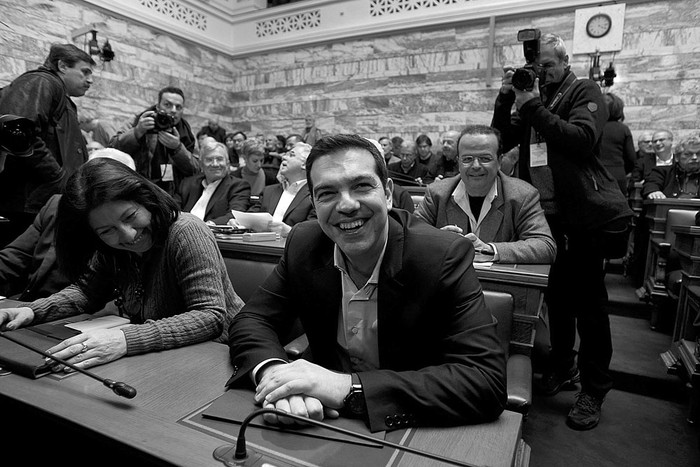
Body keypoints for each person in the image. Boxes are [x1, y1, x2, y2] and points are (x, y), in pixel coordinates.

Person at [226, 134, 506, 433]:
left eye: (361, 186)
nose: (346, 205)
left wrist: (348, 387)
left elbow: (484, 381)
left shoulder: (442, 255)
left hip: (411, 427)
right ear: (314, 203)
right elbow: (253, 318)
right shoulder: (304, 243)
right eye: (327, 193)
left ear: (387, 193)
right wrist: (277, 375)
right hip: (315, 417)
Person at [491, 33, 633, 430]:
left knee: (590, 306)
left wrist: (532, 103)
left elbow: (582, 139)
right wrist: (507, 98)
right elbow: (502, 138)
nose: (542, 74)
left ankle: (594, 388)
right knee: (556, 301)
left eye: (548, 66)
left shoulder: (583, 90)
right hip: (545, 218)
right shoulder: (534, 99)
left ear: (565, 62)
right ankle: (562, 364)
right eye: (536, 69)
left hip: (584, 219)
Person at [0, 158, 244, 373]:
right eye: (107, 231)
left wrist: (125, 339)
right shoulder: (111, 249)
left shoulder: (186, 231)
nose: (127, 236)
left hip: (220, 355)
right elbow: (86, 292)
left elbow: (209, 317)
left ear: (146, 199)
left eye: (130, 217)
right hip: (164, 354)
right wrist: (33, 311)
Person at [0, 148, 136, 302]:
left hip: (88, 313)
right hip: (34, 302)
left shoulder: (132, 229)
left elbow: (95, 292)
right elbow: (15, 256)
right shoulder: (56, 206)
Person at [415, 125, 556, 264]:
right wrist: (437, 240)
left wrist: (489, 250)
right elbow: (409, 239)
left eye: (485, 158)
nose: (475, 165)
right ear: (458, 162)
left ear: (499, 161)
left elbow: (546, 246)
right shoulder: (437, 193)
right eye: (467, 159)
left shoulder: (522, 195)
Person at [0, 44, 95, 246]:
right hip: (27, 206)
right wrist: (57, 176)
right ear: (62, 65)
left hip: (40, 203)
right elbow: (15, 130)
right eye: (84, 72)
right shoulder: (41, 81)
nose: (90, 80)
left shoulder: (57, 92)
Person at [110, 86, 198, 197]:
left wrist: (178, 148)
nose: (173, 110)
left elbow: (196, 169)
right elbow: (113, 149)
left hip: (171, 194)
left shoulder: (187, 133)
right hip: (136, 187)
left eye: (178, 107)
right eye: (167, 105)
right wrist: (137, 132)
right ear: (158, 106)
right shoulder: (139, 121)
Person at [176, 138, 251, 225]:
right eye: (209, 159)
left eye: (219, 159)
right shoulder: (187, 184)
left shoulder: (238, 186)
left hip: (213, 235)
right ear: (201, 165)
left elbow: (235, 215)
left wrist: (207, 226)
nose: (215, 164)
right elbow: (173, 210)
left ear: (227, 163)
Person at [252, 142, 316, 237]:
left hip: (293, 249)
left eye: (291, 155)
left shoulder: (315, 195)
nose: (283, 157)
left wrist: (290, 232)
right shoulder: (268, 191)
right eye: (285, 154)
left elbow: (315, 231)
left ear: (305, 164)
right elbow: (251, 215)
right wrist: (238, 221)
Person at [642, 134, 700, 199]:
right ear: (677, 157)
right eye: (688, 154)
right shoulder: (662, 172)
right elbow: (651, 184)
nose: (694, 157)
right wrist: (654, 191)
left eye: (698, 154)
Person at [599, 93, 636, 195]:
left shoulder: (592, 127)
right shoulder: (623, 129)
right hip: (617, 174)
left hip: (595, 175)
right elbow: (631, 159)